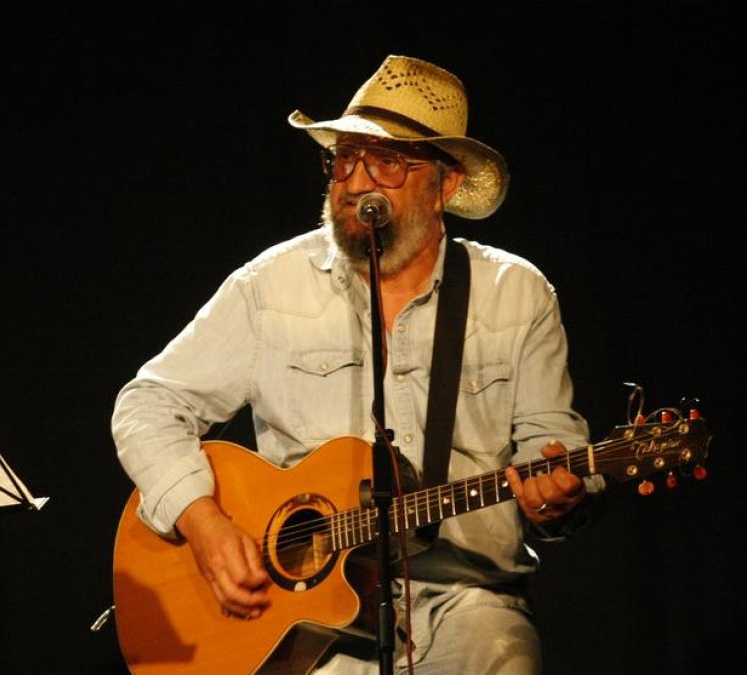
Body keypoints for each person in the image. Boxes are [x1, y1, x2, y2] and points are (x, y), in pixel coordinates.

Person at [111, 54, 604, 674]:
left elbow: (550, 446)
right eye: (344, 157)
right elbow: (148, 405)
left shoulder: (517, 294)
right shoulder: (270, 286)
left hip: (467, 600)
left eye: (388, 161)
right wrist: (203, 521)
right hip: (309, 615)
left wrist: (555, 494)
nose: (354, 180)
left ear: (446, 184)